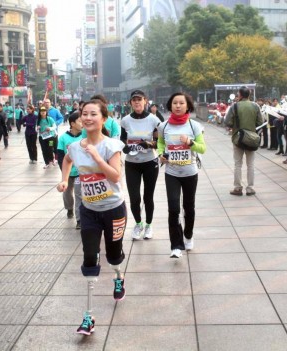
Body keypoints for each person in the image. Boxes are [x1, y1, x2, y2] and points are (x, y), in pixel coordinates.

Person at [56, 99, 127, 335]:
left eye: (93, 114)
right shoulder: (75, 147)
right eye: (84, 114)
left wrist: (97, 158)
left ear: (103, 119)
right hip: (89, 211)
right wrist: (65, 179)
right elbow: (66, 160)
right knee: (89, 257)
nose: (87, 118)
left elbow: (116, 177)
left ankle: (118, 276)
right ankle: (89, 316)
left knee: (114, 256)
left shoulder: (112, 145)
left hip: (114, 209)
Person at [158, 92, 206, 258]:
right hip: (171, 173)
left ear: (187, 106)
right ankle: (176, 246)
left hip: (190, 173)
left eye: (181, 103)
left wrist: (190, 142)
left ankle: (188, 234)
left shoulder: (194, 126)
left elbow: (202, 148)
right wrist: (160, 154)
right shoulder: (163, 126)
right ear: (170, 105)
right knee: (173, 208)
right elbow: (160, 143)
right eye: (174, 103)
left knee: (189, 207)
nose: (178, 106)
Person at [121, 89, 161, 240]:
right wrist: (124, 146)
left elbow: (159, 143)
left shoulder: (153, 120)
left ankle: (149, 226)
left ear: (145, 101)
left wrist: (149, 144)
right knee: (134, 197)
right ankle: (138, 224)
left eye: (140, 99)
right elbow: (122, 139)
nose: (137, 102)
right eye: (134, 100)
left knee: (148, 197)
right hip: (132, 163)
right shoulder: (125, 120)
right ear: (130, 103)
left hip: (150, 162)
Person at [224, 86, 263, 196]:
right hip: (251, 138)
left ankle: (237, 188)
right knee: (250, 164)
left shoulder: (234, 106)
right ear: (249, 95)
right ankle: (250, 188)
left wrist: (235, 126)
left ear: (240, 95)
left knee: (238, 164)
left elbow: (227, 122)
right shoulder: (255, 106)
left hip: (238, 138)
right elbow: (260, 122)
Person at [57, 111, 84, 227]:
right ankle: (69, 209)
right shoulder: (63, 138)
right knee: (67, 193)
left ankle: (79, 220)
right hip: (68, 172)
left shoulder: (84, 136)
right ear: (72, 123)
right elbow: (60, 156)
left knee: (79, 194)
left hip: (80, 172)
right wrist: (64, 174)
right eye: (80, 121)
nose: (82, 123)